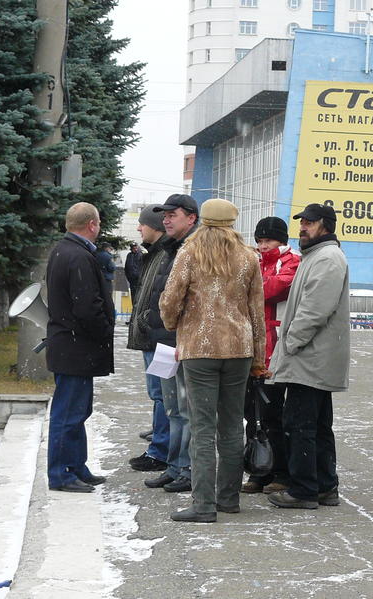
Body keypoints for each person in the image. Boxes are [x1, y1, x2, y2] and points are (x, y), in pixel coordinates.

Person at [161, 198, 266, 523]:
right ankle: (228, 499)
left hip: (200, 348)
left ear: (203, 220)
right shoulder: (248, 257)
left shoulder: (189, 253)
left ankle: (203, 505)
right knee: (232, 426)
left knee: (202, 427)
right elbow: (257, 312)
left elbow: (171, 299)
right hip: (238, 348)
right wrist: (258, 358)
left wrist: (173, 323)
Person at [267, 203, 350, 510]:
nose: (302, 227)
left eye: (310, 222)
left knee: (300, 424)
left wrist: (290, 343)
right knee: (317, 425)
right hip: (312, 355)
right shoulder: (317, 255)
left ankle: (304, 490)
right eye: (302, 222)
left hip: (310, 356)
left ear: (325, 225)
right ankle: (325, 487)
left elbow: (315, 309)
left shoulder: (327, 258)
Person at [130, 194, 200, 493]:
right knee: (172, 408)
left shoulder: (193, 249)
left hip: (181, 343)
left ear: (191, 218)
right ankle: (174, 466)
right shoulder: (171, 248)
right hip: (164, 343)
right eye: (165, 215)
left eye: (173, 215)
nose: (166, 220)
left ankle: (186, 469)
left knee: (185, 411)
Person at [45, 202, 114, 493]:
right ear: (92, 225)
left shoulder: (64, 250)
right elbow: (87, 307)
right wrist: (105, 331)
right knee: (68, 415)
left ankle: (76, 467)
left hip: (70, 346)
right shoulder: (79, 256)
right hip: (76, 347)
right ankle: (61, 474)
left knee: (78, 412)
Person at [241, 216, 300, 495]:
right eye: (260, 240)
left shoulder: (292, 261)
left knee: (273, 414)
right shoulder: (251, 260)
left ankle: (281, 472)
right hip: (249, 349)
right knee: (251, 415)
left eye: (269, 240)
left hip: (275, 351)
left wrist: (251, 286)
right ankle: (257, 468)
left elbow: (275, 287)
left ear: (282, 240)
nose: (263, 246)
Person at [126, 206, 171, 479]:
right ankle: (160, 441)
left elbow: (163, 298)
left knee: (163, 396)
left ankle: (161, 451)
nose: (138, 228)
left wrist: (145, 320)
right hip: (152, 337)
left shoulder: (166, 255)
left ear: (155, 226)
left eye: (142, 224)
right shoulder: (153, 254)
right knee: (159, 395)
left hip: (160, 339)